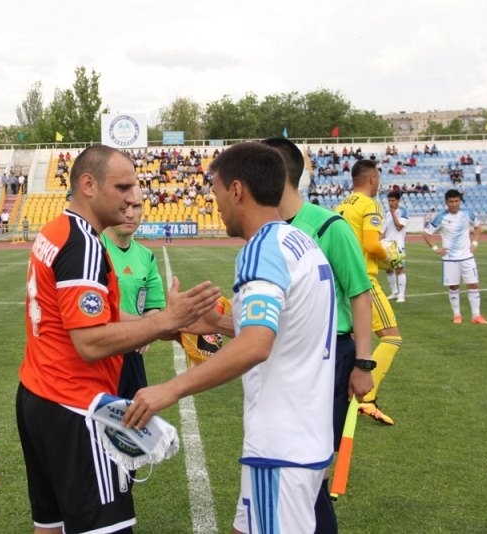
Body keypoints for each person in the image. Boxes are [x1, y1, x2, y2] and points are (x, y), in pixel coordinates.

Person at [123, 142, 336, 533]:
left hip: (281, 446)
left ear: (237, 190)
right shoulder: (301, 243)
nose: (215, 202)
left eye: (216, 191)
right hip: (305, 437)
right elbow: (286, 328)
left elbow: (256, 344)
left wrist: (169, 389)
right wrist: (217, 323)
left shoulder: (262, 249)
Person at [16, 145, 220, 534]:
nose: (132, 197)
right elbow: (90, 342)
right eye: (123, 187)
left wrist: (167, 324)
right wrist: (166, 320)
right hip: (75, 406)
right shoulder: (83, 244)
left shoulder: (57, 230)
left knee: (50, 525)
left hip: (38, 396)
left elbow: (98, 315)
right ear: (88, 185)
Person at [265, 137, 374, 533]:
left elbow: (360, 294)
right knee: (286, 464)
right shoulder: (269, 230)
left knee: (311, 471)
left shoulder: (330, 226)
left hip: (332, 355)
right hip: (287, 355)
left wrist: (363, 363)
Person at [335, 159, 402, 425]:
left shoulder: (342, 204)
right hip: (363, 281)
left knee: (350, 342)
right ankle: (368, 399)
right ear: (373, 178)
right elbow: (372, 245)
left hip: (342, 282)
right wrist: (390, 257)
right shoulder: (370, 204)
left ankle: (346, 396)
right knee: (391, 338)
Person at [100, 185, 166, 399]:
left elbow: (153, 305)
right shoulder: (94, 249)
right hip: (100, 354)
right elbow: (98, 309)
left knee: (136, 417)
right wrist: (146, 326)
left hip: (132, 356)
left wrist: (147, 329)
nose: (130, 214)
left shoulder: (146, 257)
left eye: (136, 206)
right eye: (123, 207)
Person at [423, 189, 487, 325]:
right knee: (453, 286)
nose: (454, 204)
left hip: (467, 257)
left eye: (456, 201)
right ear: (446, 202)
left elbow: (479, 227)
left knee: (473, 284)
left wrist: (475, 242)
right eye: (451, 201)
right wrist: (436, 248)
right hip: (450, 259)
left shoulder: (467, 213)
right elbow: (426, 233)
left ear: (460, 201)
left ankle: (476, 316)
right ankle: (457, 315)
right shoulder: (441, 217)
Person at [383, 191, 409, 303]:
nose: (391, 203)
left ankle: (402, 295)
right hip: (387, 244)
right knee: (388, 269)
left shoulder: (404, 211)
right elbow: (383, 230)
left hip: (398, 244)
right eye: (389, 200)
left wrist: (393, 213)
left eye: (393, 200)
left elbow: (399, 227)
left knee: (399, 269)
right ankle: (394, 292)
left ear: (398, 200)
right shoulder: (387, 213)